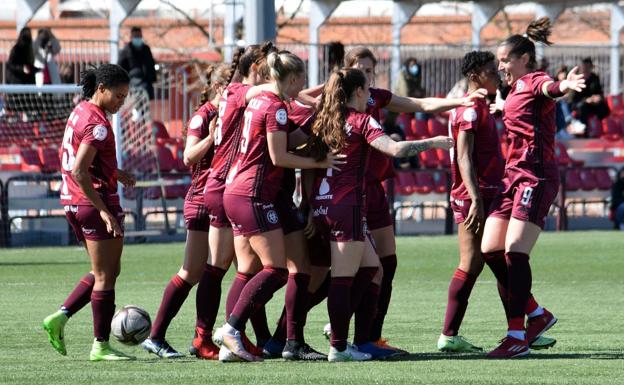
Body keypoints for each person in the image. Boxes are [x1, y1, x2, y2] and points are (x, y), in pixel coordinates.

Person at [341, 46, 485, 354]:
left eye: (370, 70)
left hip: (375, 191)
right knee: (357, 269)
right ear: (349, 73)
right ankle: (336, 330)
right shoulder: (342, 106)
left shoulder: (375, 97)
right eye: (361, 70)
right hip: (351, 193)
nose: (367, 75)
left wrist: (457, 100)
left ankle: (372, 337)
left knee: (387, 265)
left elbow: (420, 102)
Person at [309, 67, 453, 361]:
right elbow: (395, 150)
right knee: (343, 278)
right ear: (360, 92)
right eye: (368, 88)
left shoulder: (326, 120)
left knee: (372, 268)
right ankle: (337, 346)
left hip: (322, 203)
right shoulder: (361, 120)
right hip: (347, 205)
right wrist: (433, 143)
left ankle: (341, 333)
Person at [212, 50, 343, 362]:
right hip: (253, 193)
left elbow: (292, 136)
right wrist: (321, 160)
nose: (302, 87)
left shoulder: (258, 99)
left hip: (246, 191)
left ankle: (288, 342)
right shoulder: (275, 106)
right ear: (294, 78)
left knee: (290, 266)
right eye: (301, 81)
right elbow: (279, 157)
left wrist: (319, 136)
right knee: (275, 269)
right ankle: (231, 329)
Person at [438, 50, 556, 353]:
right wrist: (475, 195)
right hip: (473, 193)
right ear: (476, 74)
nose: (499, 74)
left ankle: (525, 324)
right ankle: (455, 333)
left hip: (492, 189)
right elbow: (464, 156)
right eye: (493, 70)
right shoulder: (470, 110)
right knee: (475, 261)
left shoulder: (481, 106)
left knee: (496, 254)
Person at [483, 17, 585, 358]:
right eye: (498, 61)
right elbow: (517, 112)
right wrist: (500, 108)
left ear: (524, 59)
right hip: (513, 177)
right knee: (490, 249)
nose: (500, 67)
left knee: (514, 252)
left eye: (505, 60)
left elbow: (549, 90)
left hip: (536, 176)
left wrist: (565, 85)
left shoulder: (535, 80)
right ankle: (537, 315)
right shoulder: (512, 91)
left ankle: (516, 335)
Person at [42, 64, 135, 361]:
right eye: (118, 96)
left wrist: (116, 173)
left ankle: (61, 317)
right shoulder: (98, 124)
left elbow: (84, 162)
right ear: (102, 89)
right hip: (93, 202)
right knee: (106, 276)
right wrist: (104, 211)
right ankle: (100, 345)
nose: (121, 102)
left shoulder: (80, 110)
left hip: (73, 201)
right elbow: (79, 170)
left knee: (104, 272)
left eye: (125, 96)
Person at [141, 64, 231, 359]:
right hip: (203, 199)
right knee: (196, 271)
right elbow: (187, 155)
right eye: (234, 85)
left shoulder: (232, 113)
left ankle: (201, 337)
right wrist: (211, 137)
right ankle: (162, 336)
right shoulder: (203, 116)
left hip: (221, 197)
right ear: (220, 88)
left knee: (213, 269)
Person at [567, 57, 609, 136]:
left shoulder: (594, 77)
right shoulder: (577, 78)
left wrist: (598, 97)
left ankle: (600, 130)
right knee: (583, 108)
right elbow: (572, 99)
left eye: (588, 67)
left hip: (593, 103)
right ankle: (584, 132)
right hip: (579, 103)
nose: (586, 69)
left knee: (604, 108)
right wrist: (586, 100)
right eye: (584, 67)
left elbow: (600, 92)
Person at [118, 26, 157, 99]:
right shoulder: (126, 50)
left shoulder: (146, 49)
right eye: (135, 36)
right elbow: (120, 66)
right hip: (133, 81)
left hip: (147, 81)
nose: (137, 38)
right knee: (138, 101)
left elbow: (151, 63)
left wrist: (153, 78)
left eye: (139, 36)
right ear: (131, 37)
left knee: (146, 103)